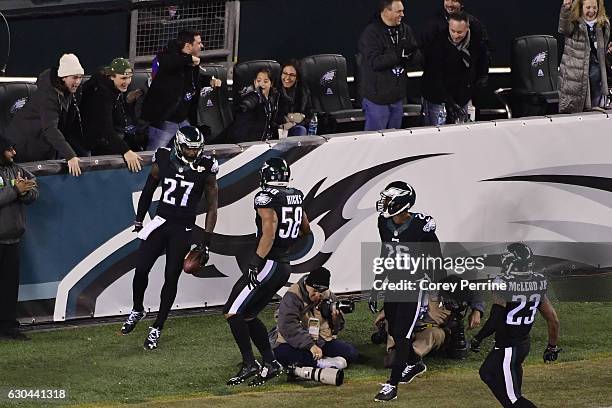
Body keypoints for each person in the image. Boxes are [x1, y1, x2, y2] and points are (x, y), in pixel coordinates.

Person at [119, 126, 218, 350]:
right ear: (178, 145)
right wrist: (139, 218)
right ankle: (137, 309)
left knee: (171, 277)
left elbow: (212, 207)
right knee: (141, 269)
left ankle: (158, 327)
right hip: (161, 222)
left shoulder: (207, 167)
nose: (193, 153)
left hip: (182, 229)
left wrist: (207, 240)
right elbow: (149, 188)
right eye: (188, 149)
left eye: (196, 149)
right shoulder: (163, 157)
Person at [223, 157, 311, 387]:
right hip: (282, 263)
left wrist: (255, 262)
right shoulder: (295, 194)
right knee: (248, 314)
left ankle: (250, 363)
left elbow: (269, 232)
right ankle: (270, 363)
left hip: (269, 263)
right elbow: (305, 229)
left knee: (233, 312)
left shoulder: (266, 196)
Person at [369, 181, 442, 402]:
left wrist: (434, 296)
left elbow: (436, 260)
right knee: (395, 332)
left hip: (414, 286)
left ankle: (392, 386)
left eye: (389, 199)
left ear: (402, 203)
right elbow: (386, 254)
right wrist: (377, 284)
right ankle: (414, 363)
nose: (385, 203)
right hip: (394, 284)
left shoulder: (422, 225)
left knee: (402, 334)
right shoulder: (384, 222)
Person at [470, 243, 561, 408]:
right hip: (522, 344)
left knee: (514, 399)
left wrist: (478, 337)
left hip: (509, 347)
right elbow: (553, 319)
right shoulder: (538, 281)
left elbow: (496, 318)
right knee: (487, 372)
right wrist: (552, 347)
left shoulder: (503, 282)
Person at [142, 31, 222, 150]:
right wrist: (189, 58)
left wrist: (209, 80)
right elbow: (169, 63)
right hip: (164, 121)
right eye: (199, 43)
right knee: (153, 157)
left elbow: (192, 81)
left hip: (183, 119)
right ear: (188, 46)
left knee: (193, 151)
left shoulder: (192, 63)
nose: (202, 46)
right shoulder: (167, 57)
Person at [8, 53, 84, 176]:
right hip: (26, 145)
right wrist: (70, 155)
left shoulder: (67, 90)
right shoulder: (48, 96)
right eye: (75, 77)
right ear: (63, 77)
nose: (78, 81)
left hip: (41, 143)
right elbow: (50, 128)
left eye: (80, 77)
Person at [272, 267, 359, 369]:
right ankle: (321, 363)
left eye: (321, 291)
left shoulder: (328, 295)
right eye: (315, 290)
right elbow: (287, 326)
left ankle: (319, 360)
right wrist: (310, 345)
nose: (318, 294)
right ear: (307, 285)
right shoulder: (293, 295)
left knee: (351, 353)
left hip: (320, 341)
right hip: (293, 342)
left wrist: (336, 319)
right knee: (281, 354)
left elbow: (337, 329)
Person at [358, 0, 420, 131]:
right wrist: (399, 56)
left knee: (394, 139)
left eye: (402, 10)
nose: (402, 14)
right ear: (386, 11)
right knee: (374, 140)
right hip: (377, 99)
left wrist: (412, 55)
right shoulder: (371, 33)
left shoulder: (405, 30)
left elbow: (415, 55)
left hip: (397, 98)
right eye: (399, 11)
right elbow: (375, 62)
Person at [0, 134, 38, 340]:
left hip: (13, 238)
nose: (14, 153)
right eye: (9, 149)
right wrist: (15, 190)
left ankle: (8, 326)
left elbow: (33, 186)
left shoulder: (16, 169)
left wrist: (25, 192)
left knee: (8, 287)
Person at [421, 12, 489, 126]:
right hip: (438, 97)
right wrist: (449, 102)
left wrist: (481, 78)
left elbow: (483, 62)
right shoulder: (437, 44)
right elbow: (434, 77)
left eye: (459, 32)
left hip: (463, 96)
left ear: (467, 28)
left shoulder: (476, 42)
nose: (455, 35)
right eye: (452, 31)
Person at [78, 58, 144, 172]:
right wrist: (126, 151)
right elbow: (105, 128)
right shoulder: (102, 94)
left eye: (129, 77)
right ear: (112, 76)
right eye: (123, 78)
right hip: (87, 139)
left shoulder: (113, 86)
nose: (127, 82)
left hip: (101, 135)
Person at [558, 0, 610, 113]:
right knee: (576, 114)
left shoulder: (603, 24)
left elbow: (603, 49)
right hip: (575, 77)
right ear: (581, 8)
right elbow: (564, 28)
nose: (592, 11)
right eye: (588, 8)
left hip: (597, 77)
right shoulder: (574, 22)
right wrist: (566, 9)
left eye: (594, 7)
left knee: (596, 113)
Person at [227, 68, 280, 143]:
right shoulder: (253, 95)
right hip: (249, 143)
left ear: (271, 83)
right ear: (254, 82)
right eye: (258, 81)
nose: (262, 84)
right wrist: (245, 106)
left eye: (265, 81)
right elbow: (250, 101)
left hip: (267, 141)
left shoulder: (273, 98)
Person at [277, 61, 314, 137]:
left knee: (301, 130)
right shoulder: (274, 90)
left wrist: (294, 123)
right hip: (278, 130)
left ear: (297, 78)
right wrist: (291, 117)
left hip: (296, 128)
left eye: (292, 75)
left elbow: (309, 115)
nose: (287, 78)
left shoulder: (304, 92)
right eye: (285, 73)